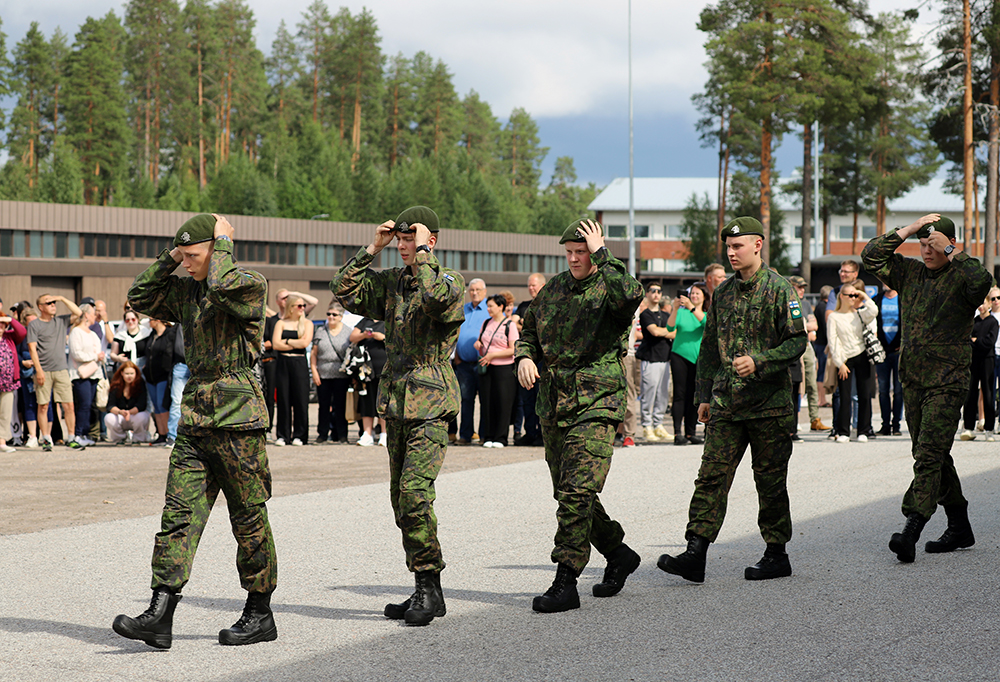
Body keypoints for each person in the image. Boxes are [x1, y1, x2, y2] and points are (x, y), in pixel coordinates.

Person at [113, 213, 277, 648]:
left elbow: (222, 285)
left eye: (193, 255)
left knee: (248, 517)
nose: (186, 263)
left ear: (216, 248)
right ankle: (160, 612)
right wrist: (171, 255)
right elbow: (140, 295)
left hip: (239, 417)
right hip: (197, 418)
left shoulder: (248, 283)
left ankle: (259, 611)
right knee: (178, 516)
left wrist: (221, 243)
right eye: (181, 256)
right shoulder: (186, 288)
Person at [331, 205, 464, 626]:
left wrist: (423, 256)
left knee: (413, 494)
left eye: (412, 239)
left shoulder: (448, 280)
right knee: (400, 502)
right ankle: (423, 588)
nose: (404, 246)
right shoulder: (391, 282)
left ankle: (430, 586)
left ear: (431, 241)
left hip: (431, 403)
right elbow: (343, 289)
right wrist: (374, 247)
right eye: (401, 240)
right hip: (398, 402)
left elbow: (436, 299)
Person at [658, 217, 806, 584]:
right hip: (726, 404)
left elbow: (797, 341)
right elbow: (709, 348)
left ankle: (776, 553)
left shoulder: (779, 289)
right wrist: (704, 396)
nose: (731, 252)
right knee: (711, 476)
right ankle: (696, 552)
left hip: (768, 404)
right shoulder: (721, 293)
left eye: (738, 246)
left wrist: (760, 361)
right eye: (728, 246)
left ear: (758, 245)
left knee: (770, 480)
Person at [516, 218, 644, 613]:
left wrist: (604, 254)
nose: (574, 259)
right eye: (569, 253)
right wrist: (523, 355)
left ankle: (566, 579)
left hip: (597, 402)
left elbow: (630, 296)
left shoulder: (610, 283)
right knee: (569, 491)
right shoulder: (553, 289)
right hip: (555, 404)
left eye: (581, 252)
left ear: (595, 252)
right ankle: (618, 553)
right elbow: (530, 330)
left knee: (576, 492)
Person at [862, 213, 993, 564]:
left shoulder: (962, 277)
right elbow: (871, 256)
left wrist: (952, 251)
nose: (927, 251)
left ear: (948, 245)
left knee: (929, 456)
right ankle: (960, 526)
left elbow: (983, 280)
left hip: (948, 382)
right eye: (923, 244)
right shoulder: (910, 273)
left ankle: (911, 528)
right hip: (915, 381)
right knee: (933, 454)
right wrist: (906, 230)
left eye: (933, 245)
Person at [28, 294, 83, 451]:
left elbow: (79, 313)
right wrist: (38, 370)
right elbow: (32, 348)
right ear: (41, 307)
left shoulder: (61, 321)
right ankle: (46, 438)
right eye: (49, 303)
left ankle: (71, 438)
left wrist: (62, 298)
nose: (53, 305)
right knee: (43, 406)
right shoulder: (35, 325)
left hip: (61, 369)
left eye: (54, 302)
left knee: (69, 405)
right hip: (43, 370)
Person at [827, 281, 877, 443]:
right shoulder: (834, 317)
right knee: (845, 396)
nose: (853, 298)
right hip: (845, 358)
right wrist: (839, 362)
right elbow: (833, 341)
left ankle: (863, 430)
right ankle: (843, 432)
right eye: (850, 295)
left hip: (862, 355)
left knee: (864, 394)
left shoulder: (859, 313)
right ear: (841, 296)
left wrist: (864, 296)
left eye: (855, 295)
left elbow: (874, 311)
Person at [475, 294, 518, 448]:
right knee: (487, 402)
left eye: (491, 306)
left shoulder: (510, 325)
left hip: (504, 368)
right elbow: (481, 339)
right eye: (487, 306)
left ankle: (501, 437)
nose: (488, 309)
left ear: (500, 307)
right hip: (487, 368)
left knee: (503, 402)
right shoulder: (486, 323)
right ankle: (488, 436)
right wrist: (478, 344)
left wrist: (493, 355)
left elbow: (513, 349)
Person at [788, 276, 830, 432]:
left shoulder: (805, 304)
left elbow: (815, 325)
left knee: (811, 383)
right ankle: (794, 420)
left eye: (803, 287)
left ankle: (815, 419)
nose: (802, 290)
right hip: (793, 348)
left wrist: (804, 326)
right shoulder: (787, 303)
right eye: (799, 287)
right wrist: (806, 327)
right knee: (797, 386)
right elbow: (796, 327)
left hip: (806, 347)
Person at [667, 282, 707, 445]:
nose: (694, 296)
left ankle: (691, 432)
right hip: (679, 356)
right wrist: (675, 309)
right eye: (692, 293)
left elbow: (706, 324)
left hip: (697, 358)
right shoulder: (682, 313)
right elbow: (670, 328)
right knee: (680, 394)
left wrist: (692, 308)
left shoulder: (705, 313)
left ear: (704, 297)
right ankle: (678, 433)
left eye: (698, 294)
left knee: (693, 395)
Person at [272, 296, 314, 446]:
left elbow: (305, 342)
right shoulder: (281, 323)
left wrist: (287, 341)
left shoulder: (307, 324)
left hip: (299, 362)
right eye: (299, 306)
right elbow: (276, 344)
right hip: (283, 362)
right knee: (283, 399)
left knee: (301, 399)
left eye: (303, 306)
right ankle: (283, 435)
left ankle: (300, 435)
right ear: (291, 308)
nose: (302, 308)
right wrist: (293, 343)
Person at [636, 283, 674, 442]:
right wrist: (667, 332)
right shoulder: (645, 315)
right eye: (653, 291)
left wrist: (665, 332)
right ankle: (647, 426)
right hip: (650, 358)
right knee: (649, 393)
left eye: (659, 291)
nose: (656, 294)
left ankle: (658, 425)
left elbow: (676, 331)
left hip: (665, 358)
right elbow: (654, 331)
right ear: (647, 294)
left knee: (663, 394)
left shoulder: (665, 315)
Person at [453, 278, 489, 445]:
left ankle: (484, 435)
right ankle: (465, 435)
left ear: (485, 291)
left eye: (478, 290)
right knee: (466, 400)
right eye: (472, 290)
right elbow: (454, 332)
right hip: (464, 364)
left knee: (484, 400)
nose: (474, 293)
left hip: (483, 363)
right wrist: (457, 356)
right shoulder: (463, 309)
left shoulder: (490, 309)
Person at [311, 301, 353, 443]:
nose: (331, 317)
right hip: (323, 374)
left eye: (334, 315)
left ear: (340, 316)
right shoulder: (321, 331)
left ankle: (341, 434)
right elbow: (313, 353)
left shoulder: (348, 331)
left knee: (340, 405)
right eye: (328, 314)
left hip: (341, 374)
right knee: (323, 405)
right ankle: (322, 434)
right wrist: (314, 371)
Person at [512, 273, 545, 446]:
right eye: (529, 286)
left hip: (543, 360)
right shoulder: (524, 305)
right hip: (527, 357)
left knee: (541, 396)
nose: (531, 288)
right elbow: (513, 322)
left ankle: (542, 433)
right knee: (527, 397)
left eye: (534, 285)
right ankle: (530, 431)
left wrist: (525, 325)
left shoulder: (548, 304)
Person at [960, 298, 998, 441]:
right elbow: (968, 339)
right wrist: (975, 342)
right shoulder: (974, 321)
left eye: (984, 303)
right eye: (979, 304)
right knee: (970, 393)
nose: (981, 306)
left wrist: (977, 341)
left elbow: (990, 341)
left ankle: (989, 428)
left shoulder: (993, 322)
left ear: (989, 304)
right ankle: (968, 427)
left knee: (988, 393)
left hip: (988, 360)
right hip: (973, 360)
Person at [68, 304, 104, 447]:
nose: (95, 316)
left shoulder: (93, 333)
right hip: (80, 374)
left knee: (90, 405)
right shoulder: (76, 332)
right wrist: (95, 356)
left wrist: (99, 357)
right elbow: (76, 353)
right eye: (93, 313)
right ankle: (78, 434)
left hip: (94, 373)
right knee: (83, 404)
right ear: (87, 315)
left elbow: (100, 352)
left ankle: (86, 433)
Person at [349, 317, 387, 446]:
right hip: (366, 369)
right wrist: (364, 335)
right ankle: (367, 433)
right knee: (367, 401)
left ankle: (384, 434)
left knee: (384, 402)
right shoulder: (365, 321)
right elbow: (352, 337)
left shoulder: (389, 319)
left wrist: (382, 338)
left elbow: (399, 341)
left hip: (385, 369)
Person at [873, 285, 904, 436]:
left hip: (899, 351)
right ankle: (885, 425)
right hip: (882, 351)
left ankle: (896, 425)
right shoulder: (877, 300)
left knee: (899, 390)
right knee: (883, 390)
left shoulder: (903, 299)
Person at [143, 319, 178, 445]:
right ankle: (161, 434)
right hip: (150, 376)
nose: (149, 322)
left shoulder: (169, 334)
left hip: (163, 375)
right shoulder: (152, 335)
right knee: (156, 406)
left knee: (162, 404)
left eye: (150, 320)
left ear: (157, 320)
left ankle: (169, 434)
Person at [104, 361, 151, 444]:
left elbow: (142, 404)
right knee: (109, 417)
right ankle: (119, 438)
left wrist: (129, 412)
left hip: (134, 415)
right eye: (127, 373)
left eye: (132, 373)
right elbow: (110, 405)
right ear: (122, 373)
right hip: (120, 415)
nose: (129, 376)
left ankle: (138, 438)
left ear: (136, 373)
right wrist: (120, 412)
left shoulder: (140, 384)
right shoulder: (115, 385)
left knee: (142, 416)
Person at [0, 312, 26, 452]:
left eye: (2, 324)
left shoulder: (9, 337)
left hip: (7, 382)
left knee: (5, 413)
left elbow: (22, 332)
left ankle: (2, 441)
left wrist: (10, 319)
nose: (0, 327)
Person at [16, 305, 39, 448]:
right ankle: (32, 436)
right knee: (29, 404)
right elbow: (15, 353)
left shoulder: (42, 334)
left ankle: (46, 436)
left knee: (45, 405)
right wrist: (23, 362)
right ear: (25, 323)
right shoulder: (21, 336)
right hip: (26, 374)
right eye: (30, 322)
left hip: (43, 371)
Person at [167, 325, 190, 447]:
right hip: (181, 364)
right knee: (176, 401)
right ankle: (172, 436)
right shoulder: (181, 320)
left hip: (199, 364)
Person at [814, 285, 833, 408]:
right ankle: (822, 399)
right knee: (821, 372)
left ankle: (822, 398)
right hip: (822, 345)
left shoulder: (819, 306)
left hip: (819, 344)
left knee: (820, 371)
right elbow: (826, 327)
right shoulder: (823, 308)